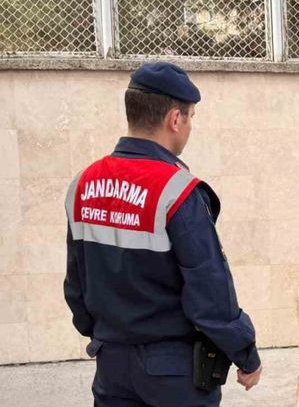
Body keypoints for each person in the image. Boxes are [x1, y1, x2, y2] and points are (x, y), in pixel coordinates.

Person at [63, 62, 262, 406]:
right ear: (175, 119)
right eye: (191, 117)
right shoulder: (177, 191)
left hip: (111, 365)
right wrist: (245, 352)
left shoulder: (83, 184)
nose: (190, 126)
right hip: (174, 371)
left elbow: (76, 284)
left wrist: (106, 334)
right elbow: (210, 290)